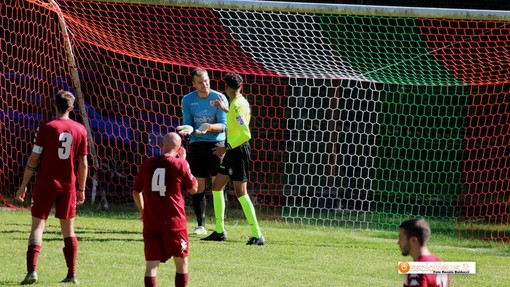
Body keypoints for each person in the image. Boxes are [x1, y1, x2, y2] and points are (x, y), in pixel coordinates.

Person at [16, 90, 89, 285]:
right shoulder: (80, 129)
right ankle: (72, 275)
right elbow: (83, 163)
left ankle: (32, 272)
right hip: (68, 186)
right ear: (72, 108)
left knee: (37, 227)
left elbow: (34, 157)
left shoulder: (47, 128)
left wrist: (23, 185)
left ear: (54, 105)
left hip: (46, 184)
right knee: (68, 231)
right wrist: (81, 188)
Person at [201, 72, 265, 245]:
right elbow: (238, 122)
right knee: (216, 187)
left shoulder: (237, 106)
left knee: (240, 192)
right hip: (232, 150)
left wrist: (226, 147)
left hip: (238, 151)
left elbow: (245, 134)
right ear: (241, 86)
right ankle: (220, 231)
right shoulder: (238, 103)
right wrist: (226, 110)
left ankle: (257, 234)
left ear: (226, 88)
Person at [132, 132, 198, 287]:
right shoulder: (180, 163)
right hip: (175, 222)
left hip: (151, 221)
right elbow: (194, 189)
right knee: (181, 262)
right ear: (179, 148)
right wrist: (183, 160)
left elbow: (136, 192)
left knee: (151, 265)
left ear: (160, 146)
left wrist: (143, 210)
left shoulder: (147, 163)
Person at [177, 68, 228, 236]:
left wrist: (209, 127)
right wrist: (187, 129)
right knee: (197, 186)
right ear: (194, 84)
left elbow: (224, 125)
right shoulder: (187, 100)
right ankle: (201, 225)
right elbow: (188, 123)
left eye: (206, 80)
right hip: (197, 145)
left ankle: (220, 226)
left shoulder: (219, 97)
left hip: (216, 145)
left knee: (217, 186)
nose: (204, 84)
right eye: (200, 82)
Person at [398, 218, 450, 287]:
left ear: (413, 240)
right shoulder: (440, 263)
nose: (398, 242)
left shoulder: (417, 271)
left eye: (401, 238)